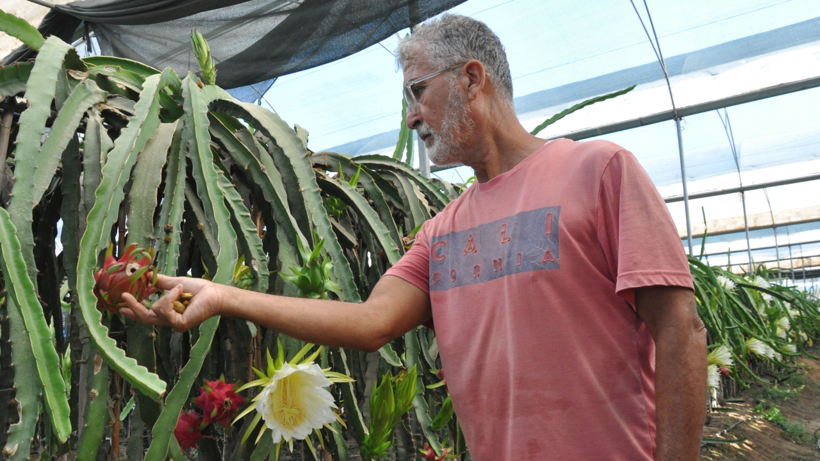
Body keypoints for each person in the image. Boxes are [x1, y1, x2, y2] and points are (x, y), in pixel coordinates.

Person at [121, 14, 707, 461]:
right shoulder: (442, 230)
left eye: (416, 91)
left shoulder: (600, 171)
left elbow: (680, 330)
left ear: (471, 79)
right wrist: (222, 296)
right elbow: (370, 323)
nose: (410, 117)